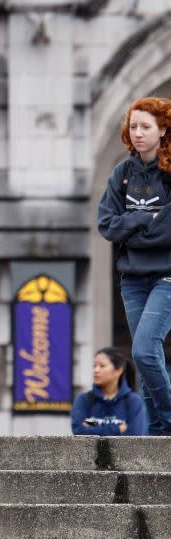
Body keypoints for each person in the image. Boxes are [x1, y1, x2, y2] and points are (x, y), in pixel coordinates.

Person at [97, 96, 171, 435]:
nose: (137, 133)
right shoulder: (122, 174)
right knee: (145, 358)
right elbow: (107, 224)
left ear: (163, 129)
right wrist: (145, 218)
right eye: (134, 126)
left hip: (166, 277)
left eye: (146, 127)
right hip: (132, 278)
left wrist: (133, 228)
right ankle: (156, 432)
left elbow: (164, 232)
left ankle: (168, 420)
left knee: (143, 349)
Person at [71, 348, 147, 436]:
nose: (96, 370)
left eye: (102, 366)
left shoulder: (133, 401)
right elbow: (79, 431)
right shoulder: (84, 399)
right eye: (94, 366)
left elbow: (135, 435)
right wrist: (118, 429)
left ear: (118, 370)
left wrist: (92, 429)